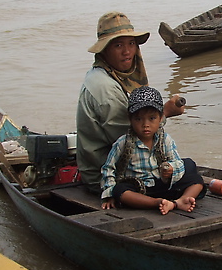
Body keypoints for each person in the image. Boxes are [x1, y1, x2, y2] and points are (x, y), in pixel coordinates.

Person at [76, 12, 185, 195]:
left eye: (131, 44)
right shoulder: (106, 90)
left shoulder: (104, 74)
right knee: (188, 171)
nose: (127, 52)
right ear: (104, 50)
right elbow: (135, 138)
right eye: (118, 45)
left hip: (110, 166)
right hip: (105, 177)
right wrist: (164, 112)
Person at [100, 86, 205, 214]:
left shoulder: (165, 139)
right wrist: (109, 194)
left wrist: (171, 168)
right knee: (119, 191)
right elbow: (108, 168)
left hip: (161, 183)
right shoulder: (123, 143)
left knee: (196, 179)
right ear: (130, 119)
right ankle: (156, 203)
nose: (145, 124)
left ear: (160, 118)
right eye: (138, 119)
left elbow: (176, 161)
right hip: (139, 188)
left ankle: (180, 202)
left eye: (152, 118)